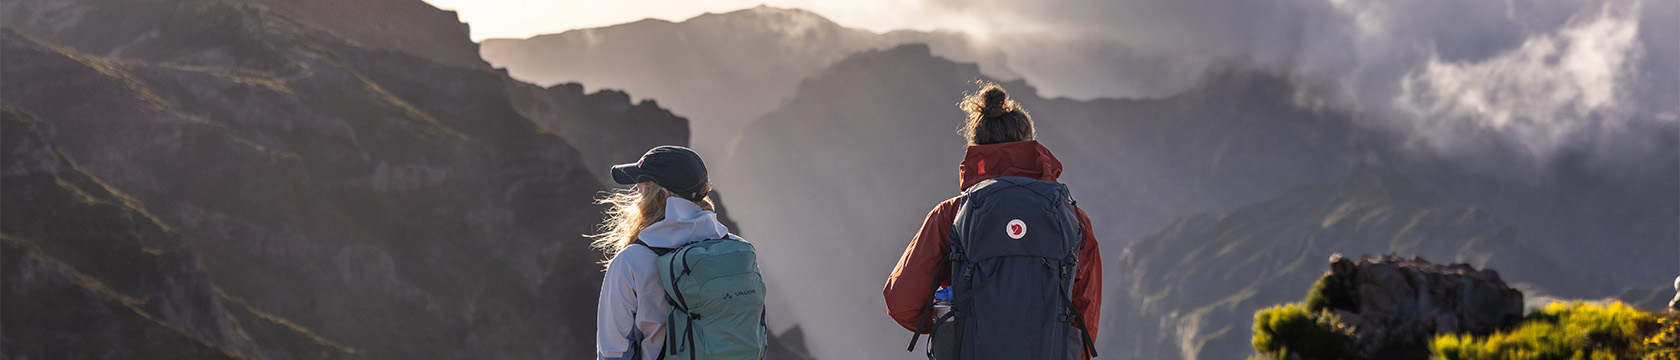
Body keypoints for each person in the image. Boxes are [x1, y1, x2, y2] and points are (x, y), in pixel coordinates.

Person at [884, 83, 1103, 359]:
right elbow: (1086, 313)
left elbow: (902, 302)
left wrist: (954, 322)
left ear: (976, 148)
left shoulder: (951, 215)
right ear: (1031, 144)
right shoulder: (1072, 218)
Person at [594, 145, 743, 360]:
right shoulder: (736, 250)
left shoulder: (631, 262)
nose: (633, 193)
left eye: (640, 187)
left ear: (661, 196)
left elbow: (613, 352)